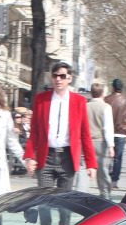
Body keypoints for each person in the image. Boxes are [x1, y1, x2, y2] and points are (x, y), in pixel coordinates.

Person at [22, 61, 97, 190]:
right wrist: (29, 156)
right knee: (44, 201)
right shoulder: (41, 99)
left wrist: (91, 164)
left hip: (67, 157)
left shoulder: (79, 101)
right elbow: (34, 131)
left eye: (62, 76)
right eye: (55, 76)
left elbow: (85, 134)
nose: (58, 79)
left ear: (69, 78)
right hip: (46, 156)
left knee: (64, 202)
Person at [85, 82, 115, 200]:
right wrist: (111, 146)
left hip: (86, 142)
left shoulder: (85, 106)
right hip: (101, 142)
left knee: (86, 169)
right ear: (103, 93)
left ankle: (82, 192)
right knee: (103, 170)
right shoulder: (106, 107)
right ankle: (105, 193)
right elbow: (108, 128)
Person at [106, 79, 126, 188]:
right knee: (118, 158)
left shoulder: (106, 100)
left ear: (113, 87)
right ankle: (114, 180)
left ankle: (106, 177)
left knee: (107, 156)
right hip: (121, 132)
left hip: (108, 132)